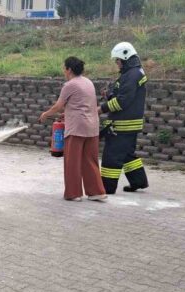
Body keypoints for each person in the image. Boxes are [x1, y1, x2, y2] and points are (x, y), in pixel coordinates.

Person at [40, 57, 107, 202]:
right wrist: (67, 113)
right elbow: (83, 104)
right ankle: (97, 192)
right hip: (92, 127)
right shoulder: (88, 82)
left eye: (64, 68)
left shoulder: (70, 85)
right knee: (90, 160)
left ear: (69, 69)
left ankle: (74, 193)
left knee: (72, 162)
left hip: (77, 128)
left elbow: (58, 106)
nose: (63, 70)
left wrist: (45, 114)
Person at [99, 42, 149, 194]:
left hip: (122, 125)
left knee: (111, 156)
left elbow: (123, 101)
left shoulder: (132, 75)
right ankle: (138, 182)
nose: (117, 64)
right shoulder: (133, 73)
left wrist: (101, 108)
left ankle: (107, 187)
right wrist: (108, 95)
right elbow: (122, 95)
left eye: (118, 60)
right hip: (129, 124)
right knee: (127, 154)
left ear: (125, 58)